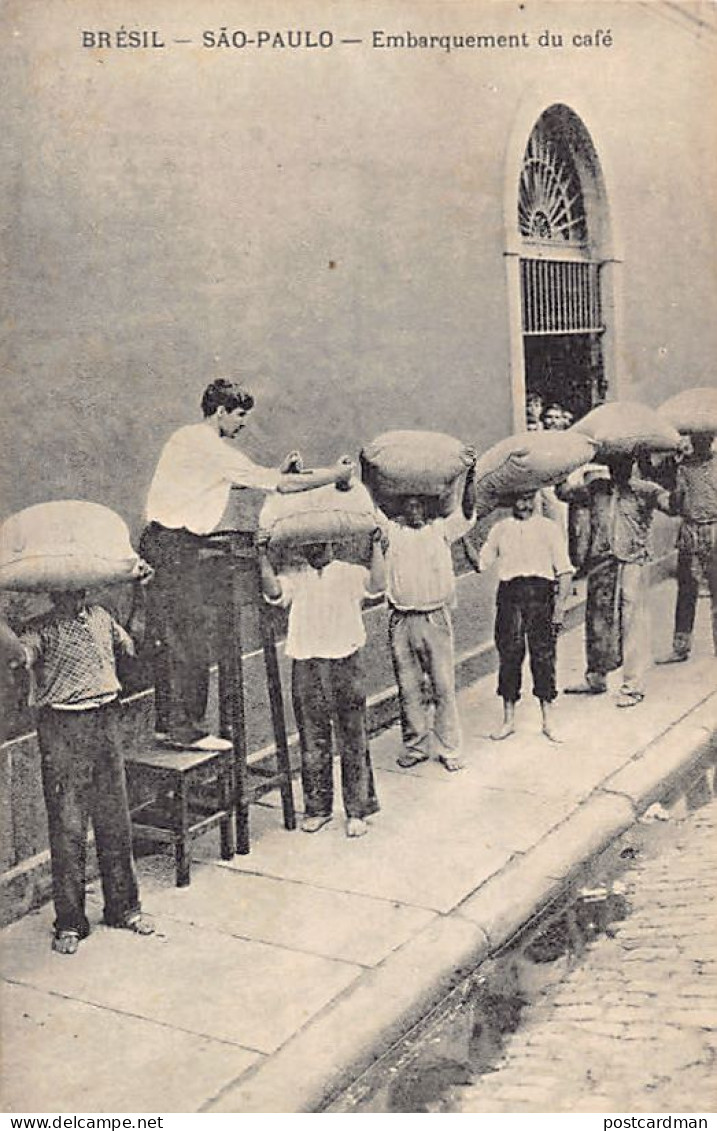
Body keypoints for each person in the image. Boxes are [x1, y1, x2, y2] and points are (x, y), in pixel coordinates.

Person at [141, 378, 354, 751]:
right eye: (239, 415)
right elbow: (279, 486)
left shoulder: (188, 438)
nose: (243, 423)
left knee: (171, 637)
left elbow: (230, 481)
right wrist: (337, 475)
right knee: (190, 638)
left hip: (162, 543)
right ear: (220, 411)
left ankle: (168, 725)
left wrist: (276, 473)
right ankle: (186, 731)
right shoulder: (211, 447)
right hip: (175, 546)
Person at [2, 580, 154, 955]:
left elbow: (131, 644)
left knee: (115, 819)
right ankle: (70, 922)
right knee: (68, 825)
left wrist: (141, 591)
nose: (73, 596)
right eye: (64, 591)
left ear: (84, 590)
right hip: (63, 728)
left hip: (106, 720)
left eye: (77, 590)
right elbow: (18, 657)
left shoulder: (101, 617)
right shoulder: (40, 629)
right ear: (53, 592)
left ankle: (124, 908)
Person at [257, 530, 385, 837]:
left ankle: (357, 810)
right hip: (308, 660)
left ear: (331, 542)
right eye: (308, 544)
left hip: (345, 659)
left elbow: (377, 586)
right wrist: (261, 555)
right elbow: (274, 592)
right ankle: (317, 808)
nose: (313, 548)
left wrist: (376, 545)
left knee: (353, 736)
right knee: (312, 738)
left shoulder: (350, 573)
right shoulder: (295, 577)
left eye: (319, 542)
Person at [380, 459, 477, 772]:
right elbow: (370, 509)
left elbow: (467, 511)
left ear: (427, 508)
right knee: (408, 688)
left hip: (435, 618)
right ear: (401, 509)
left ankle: (450, 749)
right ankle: (416, 746)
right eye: (408, 506)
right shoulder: (392, 532)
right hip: (401, 619)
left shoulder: (441, 529)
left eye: (419, 505)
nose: (414, 511)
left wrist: (469, 475)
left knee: (443, 686)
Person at [557, 456, 671, 707]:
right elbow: (564, 494)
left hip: (632, 561)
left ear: (632, 464)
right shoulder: (596, 488)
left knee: (632, 622)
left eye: (623, 462)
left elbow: (672, 505)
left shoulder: (646, 490)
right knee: (597, 620)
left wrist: (676, 475)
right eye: (614, 463)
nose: (618, 468)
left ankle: (633, 685)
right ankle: (596, 677)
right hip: (602, 560)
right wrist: (561, 465)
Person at [464, 490, 572, 742]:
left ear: (535, 499)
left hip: (541, 595)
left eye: (528, 498)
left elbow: (565, 571)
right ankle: (508, 720)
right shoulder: (501, 529)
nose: (524, 504)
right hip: (510, 596)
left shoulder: (549, 529)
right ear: (511, 501)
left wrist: (559, 608)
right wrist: (464, 540)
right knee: (509, 655)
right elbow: (481, 564)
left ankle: (548, 721)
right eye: (519, 499)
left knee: (543, 656)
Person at [657, 432, 717, 663]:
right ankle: (681, 646)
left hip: (706, 530)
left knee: (695, 590)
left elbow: (675, 504)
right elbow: (676, 503)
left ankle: (681, 647)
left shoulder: (686, 467)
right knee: (687, 589)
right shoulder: (683, 467)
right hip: (693, 532)